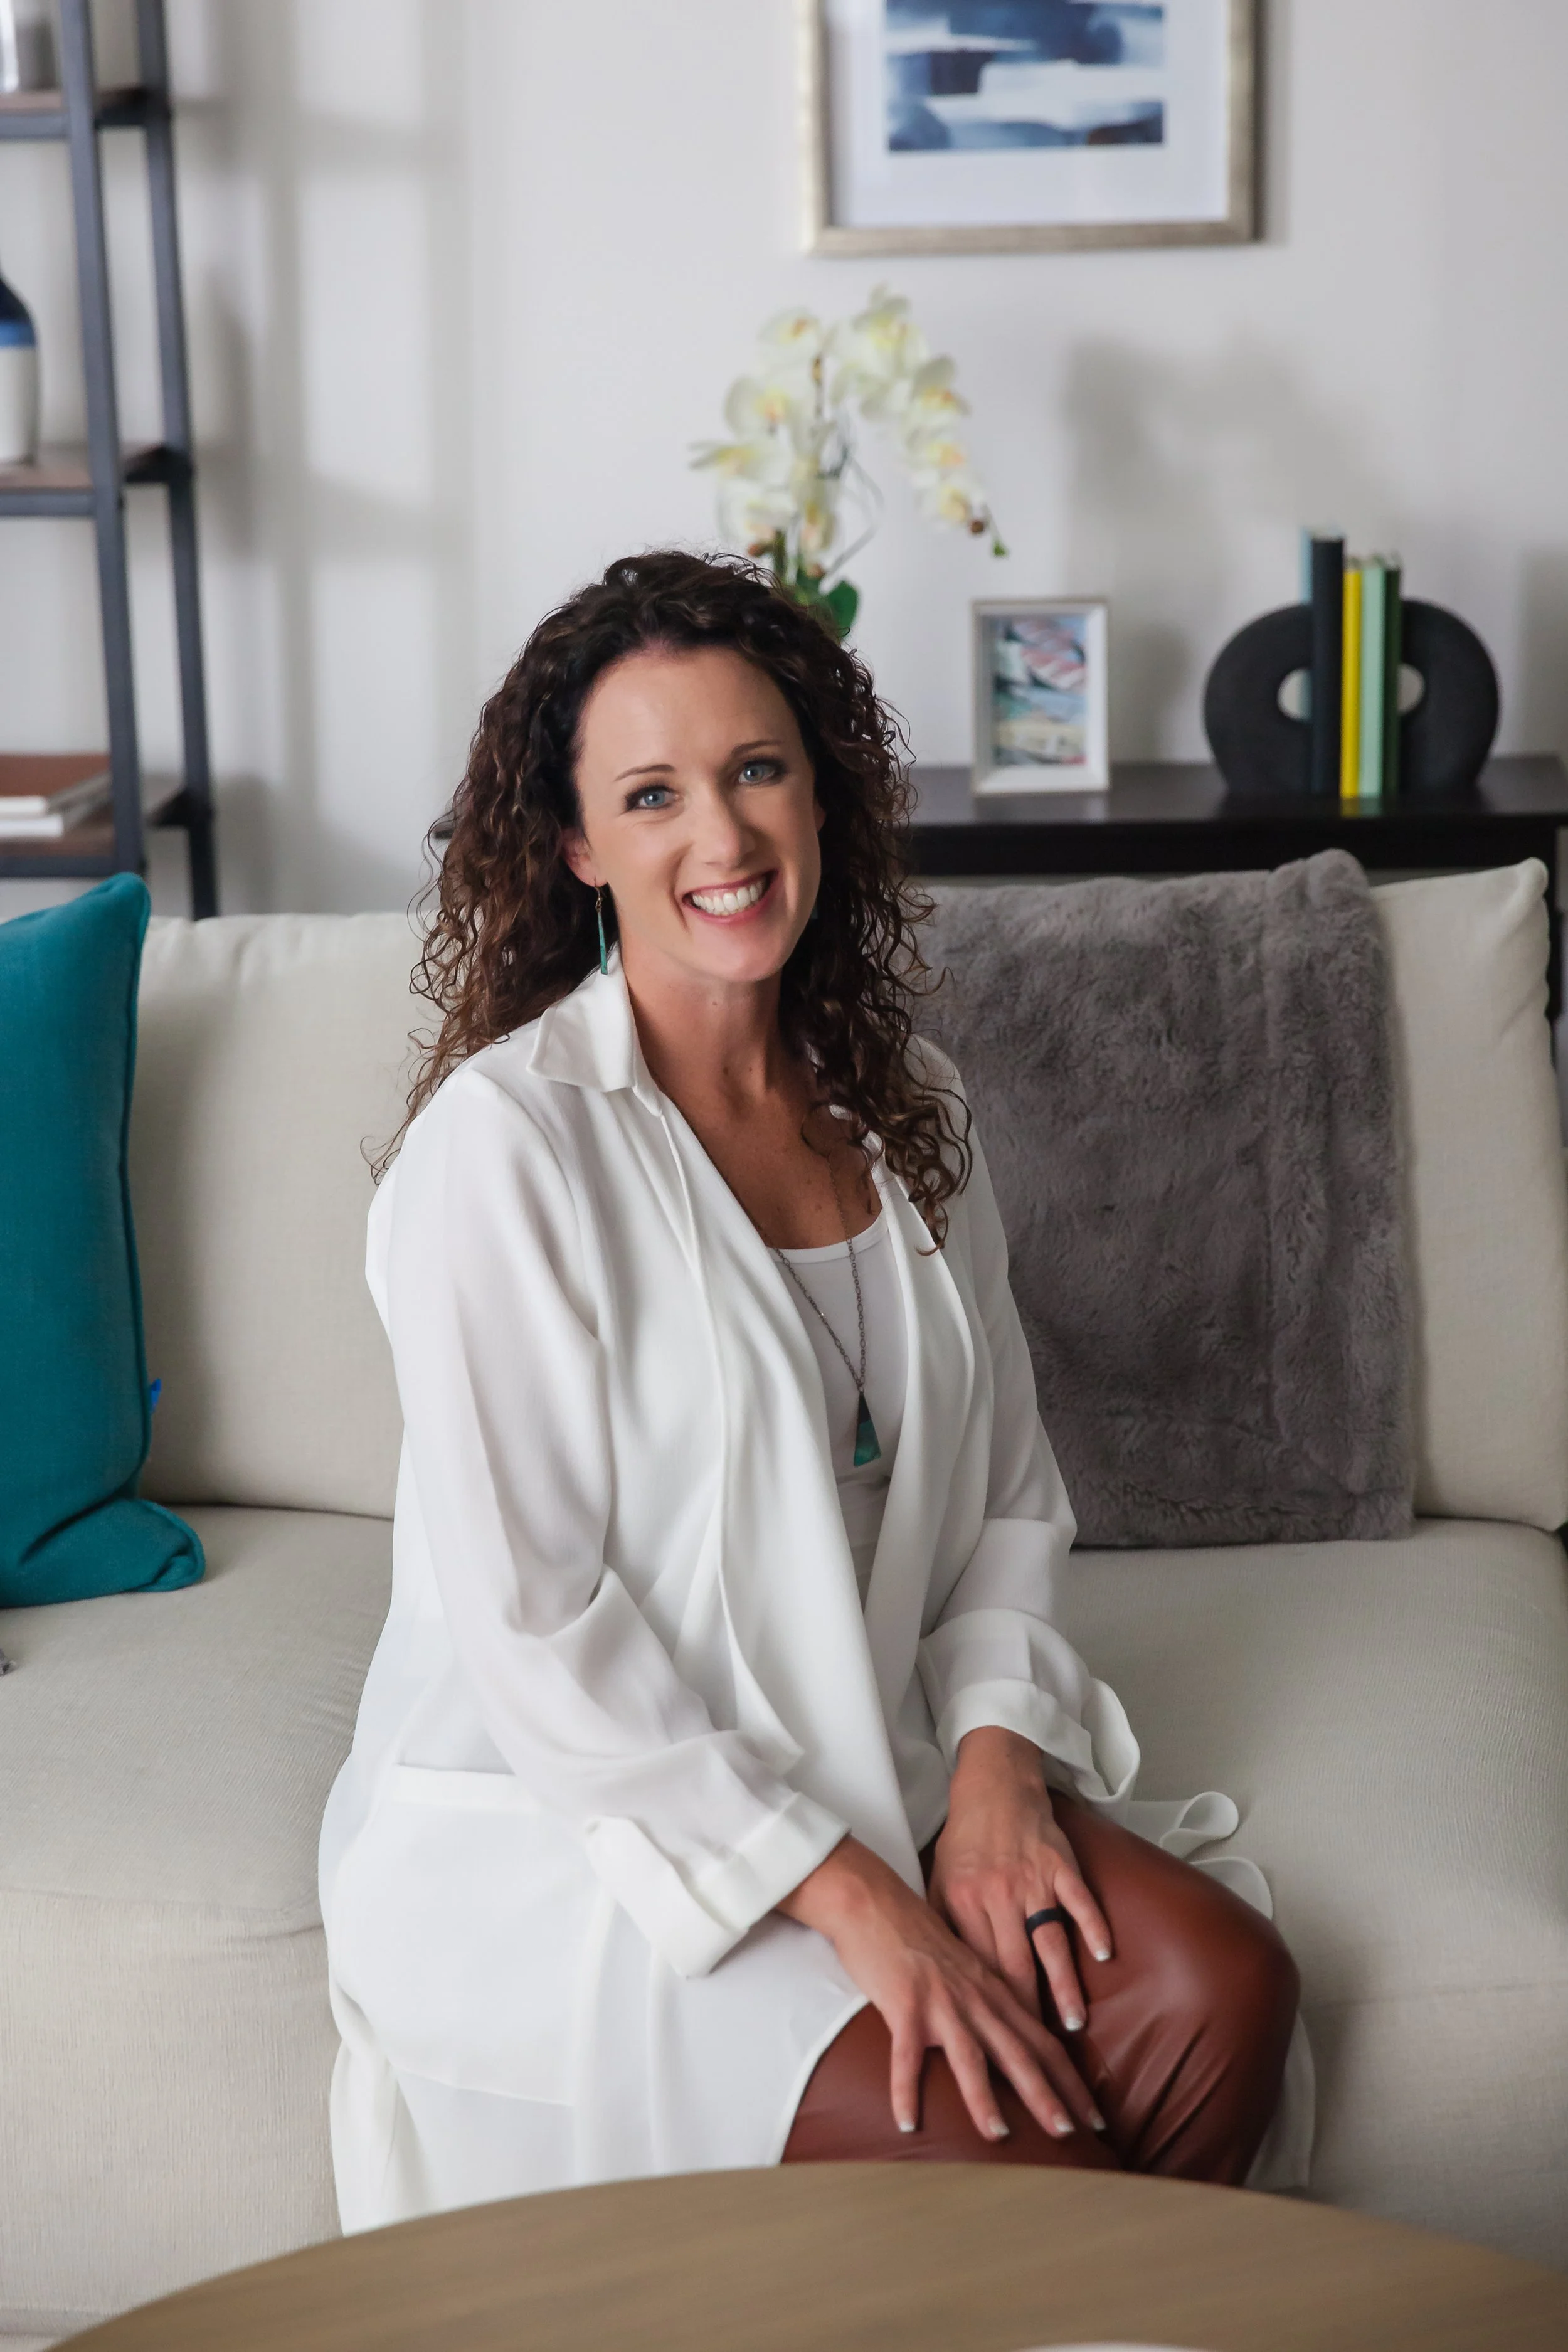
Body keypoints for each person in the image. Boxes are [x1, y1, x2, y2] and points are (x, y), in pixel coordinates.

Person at [319, 549, 1304, 2228]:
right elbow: (537, 1623)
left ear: (822, 790)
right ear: (578, 848)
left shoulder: (901, 1103)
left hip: (869, 1747)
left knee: (1221, 1993)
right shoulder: (509, 1149)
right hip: (592, 1844)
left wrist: (994, 1763)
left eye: (756, 767)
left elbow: (1001, 1492)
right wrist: (860, 1901)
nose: (721, 836)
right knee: (1038, 2175)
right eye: (652, 793)